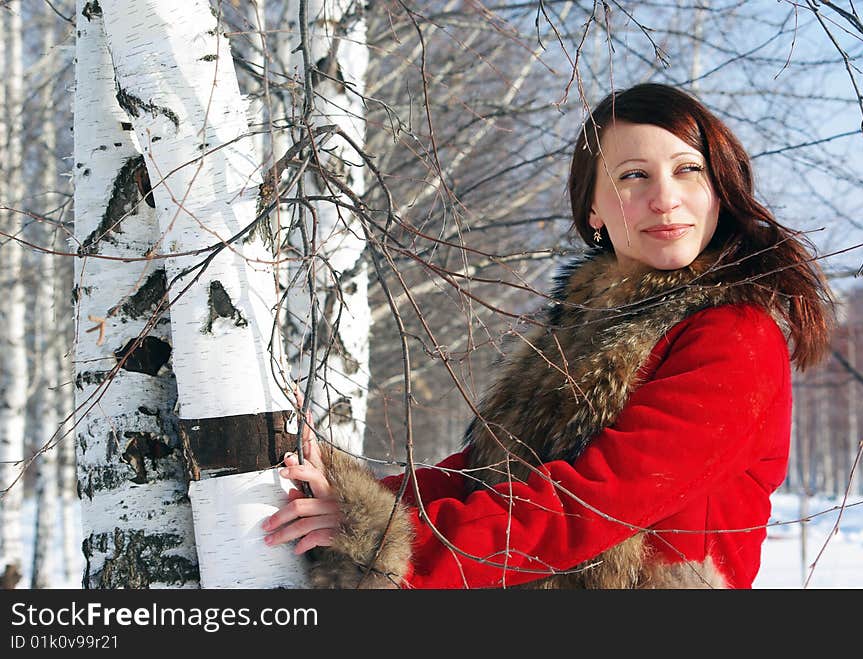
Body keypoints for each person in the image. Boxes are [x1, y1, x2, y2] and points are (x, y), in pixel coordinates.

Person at [261, 82, 834, 589]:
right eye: (633, 176)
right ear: (592, 211)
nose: (665, 198)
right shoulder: (588, 322)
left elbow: (596, 499)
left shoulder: (734, 335)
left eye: (689, 169)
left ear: (719, 189)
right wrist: (361, 504)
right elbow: (488, 471)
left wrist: (395, 547)